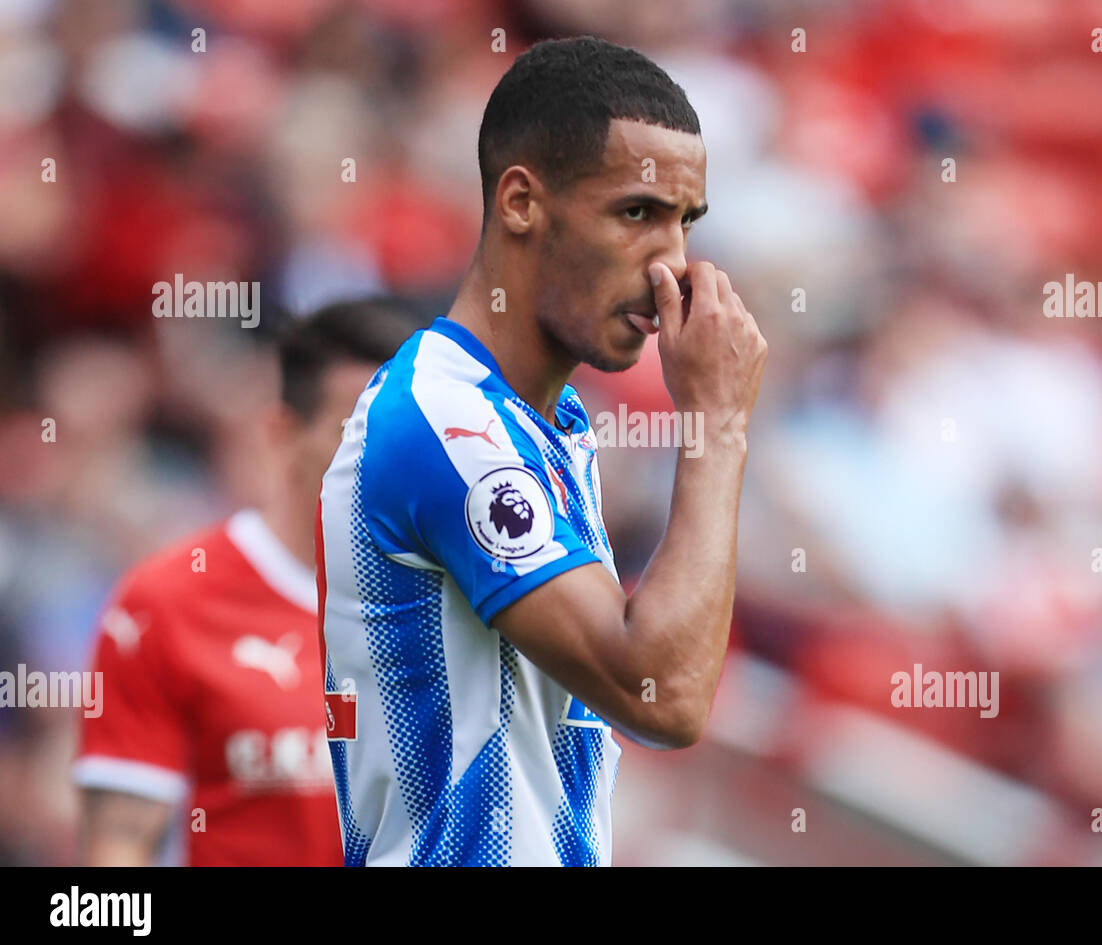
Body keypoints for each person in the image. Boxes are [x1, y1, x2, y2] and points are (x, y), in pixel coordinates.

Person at [317, 35, 767, 866]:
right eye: (636, 213)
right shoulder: (445, 423)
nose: (671, 264)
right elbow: (662, 695)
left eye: (684, 223)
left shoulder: (546, 424)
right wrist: (719, 423)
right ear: (521, 201)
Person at [73, 299, 419, 866]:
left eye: (406, 429)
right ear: (282, 434)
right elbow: (119, 849)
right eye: (357, 429)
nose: (386, 454)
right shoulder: (167, 604)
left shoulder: (466, 601)